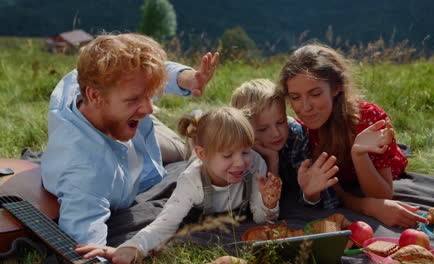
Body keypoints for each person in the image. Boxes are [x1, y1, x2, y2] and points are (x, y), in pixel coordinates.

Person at [40, 33, 220, 245]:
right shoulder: (85, 172)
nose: (150, 108)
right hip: (118, 138)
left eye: (149, 94)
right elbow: (87, 247)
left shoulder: (89, 80)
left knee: (182, 152)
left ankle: (192, 129)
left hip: (132, 128)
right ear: (95, 96)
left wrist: (187, 79)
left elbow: (146, 70)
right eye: (134, 98)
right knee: (189, 159)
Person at [75, 107, 282, 264]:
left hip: (208, 161)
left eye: (245, 151)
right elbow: (166, 223)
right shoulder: (192, 180)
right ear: (204, 155)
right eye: (228, 155)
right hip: (196, 168)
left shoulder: (254, 164)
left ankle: (199, 121)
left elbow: (261, 219)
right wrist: (133, 247)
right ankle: (169, 124)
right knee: (179, 156)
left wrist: (268, 202)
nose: (240, 162)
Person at [277, 43, 428, 228]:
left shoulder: (368, 119)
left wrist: (359, 154)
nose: (305, 107)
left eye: (315, 94)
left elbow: (382, 195)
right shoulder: (300, 133)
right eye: (295, 97)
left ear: (336, 87)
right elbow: (329, 193)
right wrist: (365, 206)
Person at [231, 79, 340, 209]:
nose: (276, 133)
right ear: (244, 129)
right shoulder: (238, 146)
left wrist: (310, 195)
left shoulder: (295, 135)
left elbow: (318, 194)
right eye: (263, 129)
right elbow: (258, 205)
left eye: (281, 122)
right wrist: (272, 161)